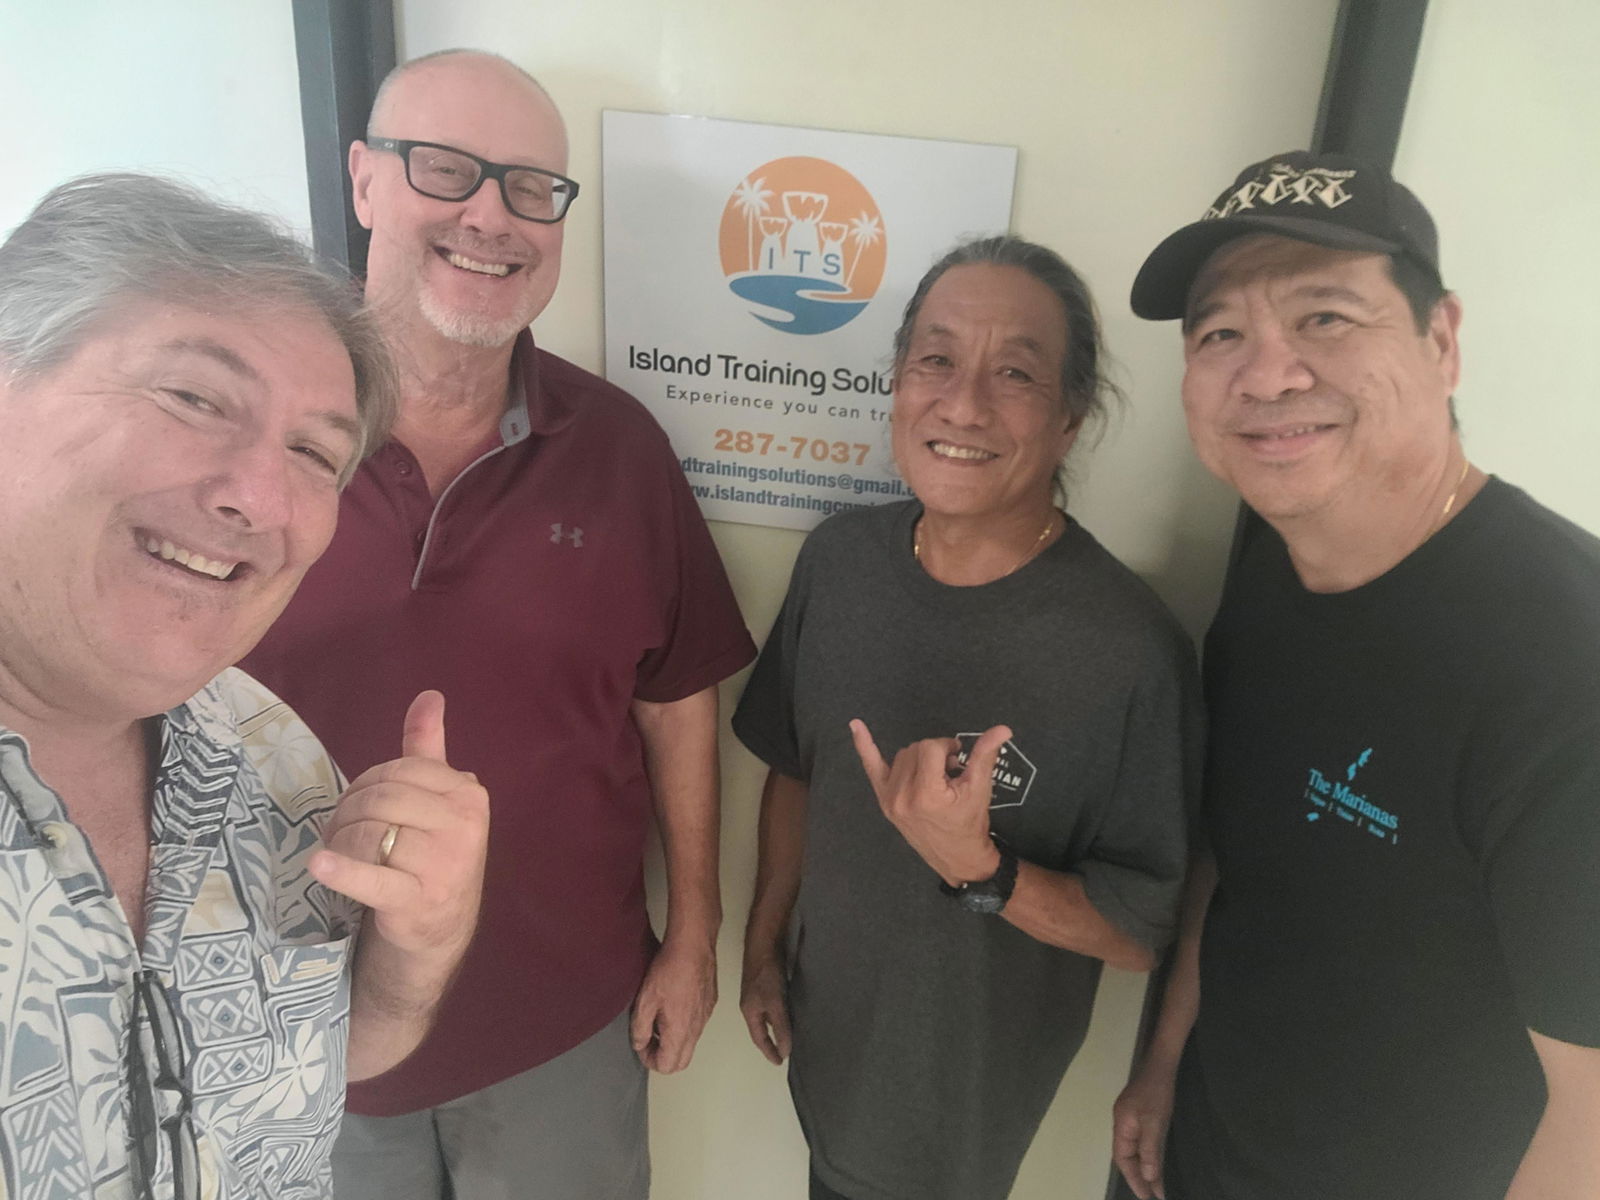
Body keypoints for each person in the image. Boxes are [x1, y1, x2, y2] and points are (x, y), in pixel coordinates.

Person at [241, 49, 754, 1199]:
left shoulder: (619, 448)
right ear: (365, 182)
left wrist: (693, 936)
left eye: (531, 186)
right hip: (294, 1034)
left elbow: (675, 700)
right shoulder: (249, 440)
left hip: (561, 1033)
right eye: (446, 169)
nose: (491, 215)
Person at [1113, 151, 1600, 1200]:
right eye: (1219, 334)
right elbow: (1234, 863)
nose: (1268, 372)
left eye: (1324, 317)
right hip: (1205, 1154)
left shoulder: (1566, 661)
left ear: (1441, 341)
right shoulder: (1270, 575)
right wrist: (1158, 1069)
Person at [0, 172, 489, 1200]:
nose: (260, 498)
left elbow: (307, 1061)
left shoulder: (271, 754)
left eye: (315, 453)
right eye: (193, 396)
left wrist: (415, 954)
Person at [733, 236, 1201, 1200]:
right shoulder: (840, 561)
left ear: (1071, 418)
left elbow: (1140, 930)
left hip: (953, 1122)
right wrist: (763, 945)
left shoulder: (1131, 648)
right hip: (826, 1057)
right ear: (899, 384)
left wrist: (980, 871)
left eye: (1016, 373)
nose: (964, 402)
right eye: (936, 359)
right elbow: (796, 769)